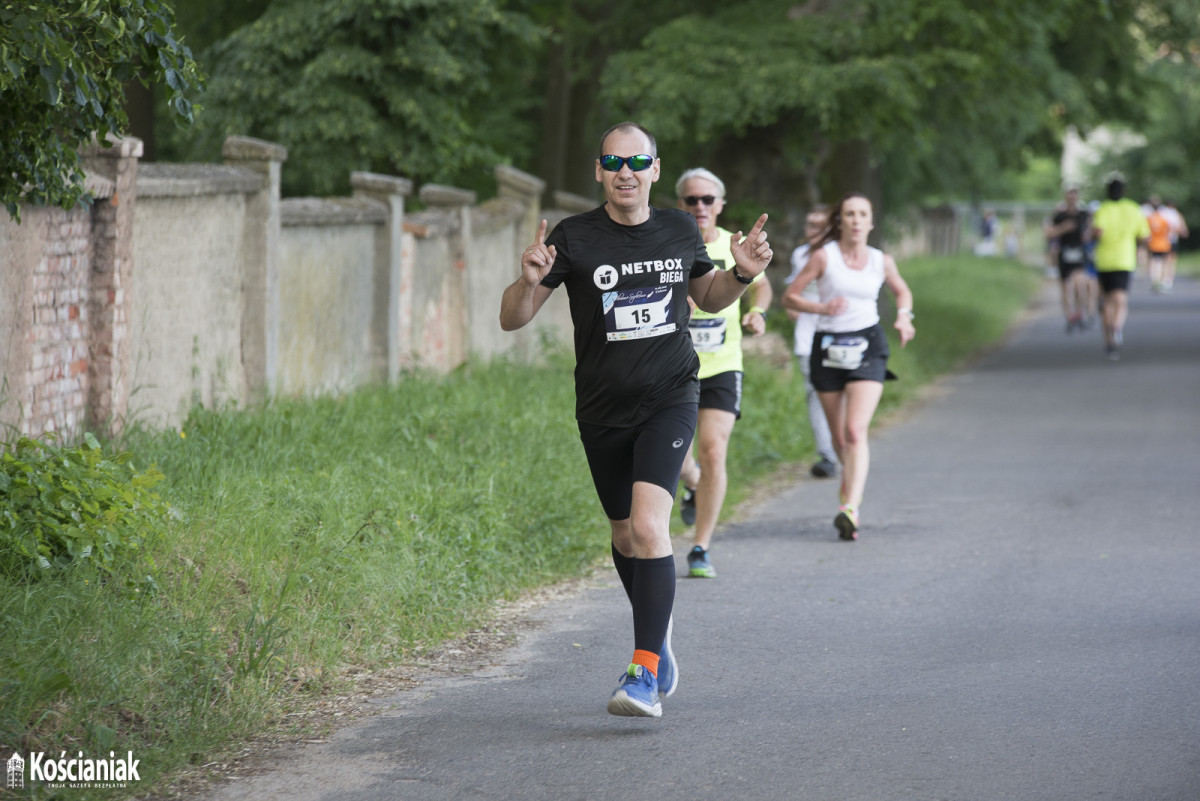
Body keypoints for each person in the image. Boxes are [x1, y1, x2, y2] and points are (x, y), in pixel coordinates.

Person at [498, 122, 772, 717]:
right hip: (600, 409)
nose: (625, 171)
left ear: (653, 169)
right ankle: (659, 633)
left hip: (671, 394)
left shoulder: (677, 227)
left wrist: (743, 273)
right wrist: (526, 283)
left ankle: (642, 670)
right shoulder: (574, 238)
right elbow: (512, 320)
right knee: (623, 533)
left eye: (637, 161)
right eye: (613, 161)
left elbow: (711, 294)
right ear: (599, 170)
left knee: (650, 528)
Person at [781, 193, 915, 541]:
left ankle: (849, 508)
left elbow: (902, 292)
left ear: (871, 222)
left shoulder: (880, 260)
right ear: (840, 222)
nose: (856, 220)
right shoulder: (823, 257)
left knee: (855, 431)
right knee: (840, 439)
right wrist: (822, 309)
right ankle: (848, 497)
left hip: (868, 346)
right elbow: (790, 297)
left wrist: (904, 317)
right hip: (827, 347)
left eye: (863, 214)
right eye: (850, 214)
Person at [673, 168, 773, 579]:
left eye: (707, 200)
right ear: (680, 204)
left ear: (720, 204)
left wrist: (756, 311)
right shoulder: (668, 243)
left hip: (722, 365)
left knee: (713, 449)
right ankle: (691, 482)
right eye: (692, 200)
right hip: (673, 366)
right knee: (677, 458)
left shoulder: (735, 245)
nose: (700, 206)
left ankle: (701, 546)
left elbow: (762, 285)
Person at [786, 207, 839, 479]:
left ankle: (846, 443)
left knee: (840, 393)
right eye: (810, 225)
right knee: (815, 391)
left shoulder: (841, 257)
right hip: (808, 336)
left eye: (820, 226)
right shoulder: (800, 255)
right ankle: (827, 454)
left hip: (840, 333)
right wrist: (794, 307)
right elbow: (792, 292)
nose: (813, 232)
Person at [1089, 176, 1149, 361]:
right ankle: (1116, 326)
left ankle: (1109, 341)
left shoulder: (1103, 209)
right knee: (1121, 299)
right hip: (1125, 259)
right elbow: (1144, 236)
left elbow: (1097, 232)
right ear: (1124, 191)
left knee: (1107, 301)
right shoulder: (1133, 208)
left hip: (1105, 261)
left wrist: (1093, 236)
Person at [1044, 187, 1092, 332]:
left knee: (1080, 285)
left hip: (1079, 253)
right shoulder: (1059, 216)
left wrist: (1088, 236)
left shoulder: (1084, 215)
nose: (1072, 198)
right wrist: (1063, 228)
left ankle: (1080, 313)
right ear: (1065, 197)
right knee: (1066, 287)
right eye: (1069, 196)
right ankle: (1069, 316)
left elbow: (1090, 232)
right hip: (1065, 254)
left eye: (1074, 196)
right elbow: (1049, 233)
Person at [1160, 198, 1189, 293]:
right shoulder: (1176, 214)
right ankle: (1169, 280)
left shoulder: (1162, 212)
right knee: (1172, 261)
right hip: (1173, 240)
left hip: (1163, 240)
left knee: (1164, 261)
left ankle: (1163, 280)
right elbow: (1183, 230)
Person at [1145, 195, 1172, 293]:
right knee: (1162, 263)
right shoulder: (1163, 219)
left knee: (1153, 262)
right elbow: (1168, 231)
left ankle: (1154, 280)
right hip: (1163, 244)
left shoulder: (1149, 219)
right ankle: (1162, 281)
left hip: (1153, 244)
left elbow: (1146, 232)